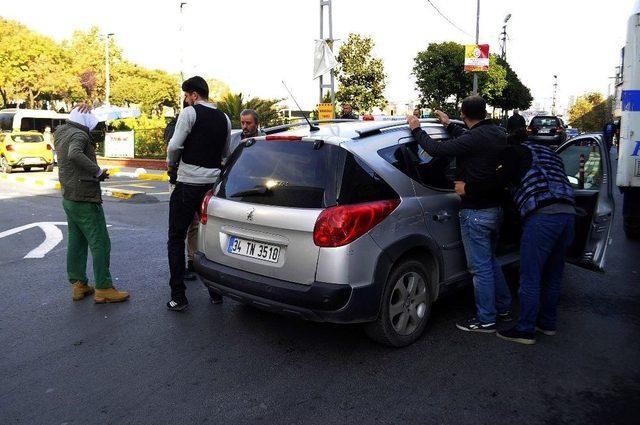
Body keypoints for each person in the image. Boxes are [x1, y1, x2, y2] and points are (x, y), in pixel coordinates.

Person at [459, 130, 575, 345]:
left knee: (530, 275)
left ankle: (525, 329)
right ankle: (547, 323)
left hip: (542, 216)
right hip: (568, 213)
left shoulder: (515, 153)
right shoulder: (551, 154)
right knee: (553, 274)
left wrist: (468, 188)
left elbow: (498, 180)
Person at [407, 96, 511, 333]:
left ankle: (486, 319)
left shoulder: (473, 138)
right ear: (484, 112)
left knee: (480, 269)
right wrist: (448, 125)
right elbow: (468, 139)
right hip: (495, 209)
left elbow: (436, 149)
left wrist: (416, 129)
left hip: (476, 210)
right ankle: (503, 307)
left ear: (463, 112)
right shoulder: (496, 132)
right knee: (491, 262)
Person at [166, 76, 231, 311]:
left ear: (194, 95)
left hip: (187, 184)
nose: (185, 100)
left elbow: (174, 146)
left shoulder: (189, 114)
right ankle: (216, 293)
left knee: (176, 238)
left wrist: (171, 165)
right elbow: (225, 152)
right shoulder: (224, 118)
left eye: (186, 95)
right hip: (211, 187)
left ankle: (178, 296)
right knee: (208, 240)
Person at [54, 107, 129, 303]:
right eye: (93, 125)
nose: (94, 130)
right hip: (85, 197)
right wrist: (97, 172)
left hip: (69, 196)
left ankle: (79, 285)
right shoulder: (80, 135)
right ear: (85, 122)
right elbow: (74, 154)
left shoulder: (61, 131)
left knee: (76, 242)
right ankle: (104, 288)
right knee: (100, 242)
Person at [164, 103, 198, 282]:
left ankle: (192, 262)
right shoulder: (177, 126)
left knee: (192, 226)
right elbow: (172, 149)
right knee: (184, 228)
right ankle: (184, 268)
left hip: (184, 181)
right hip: (180, 181)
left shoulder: (182, 124)